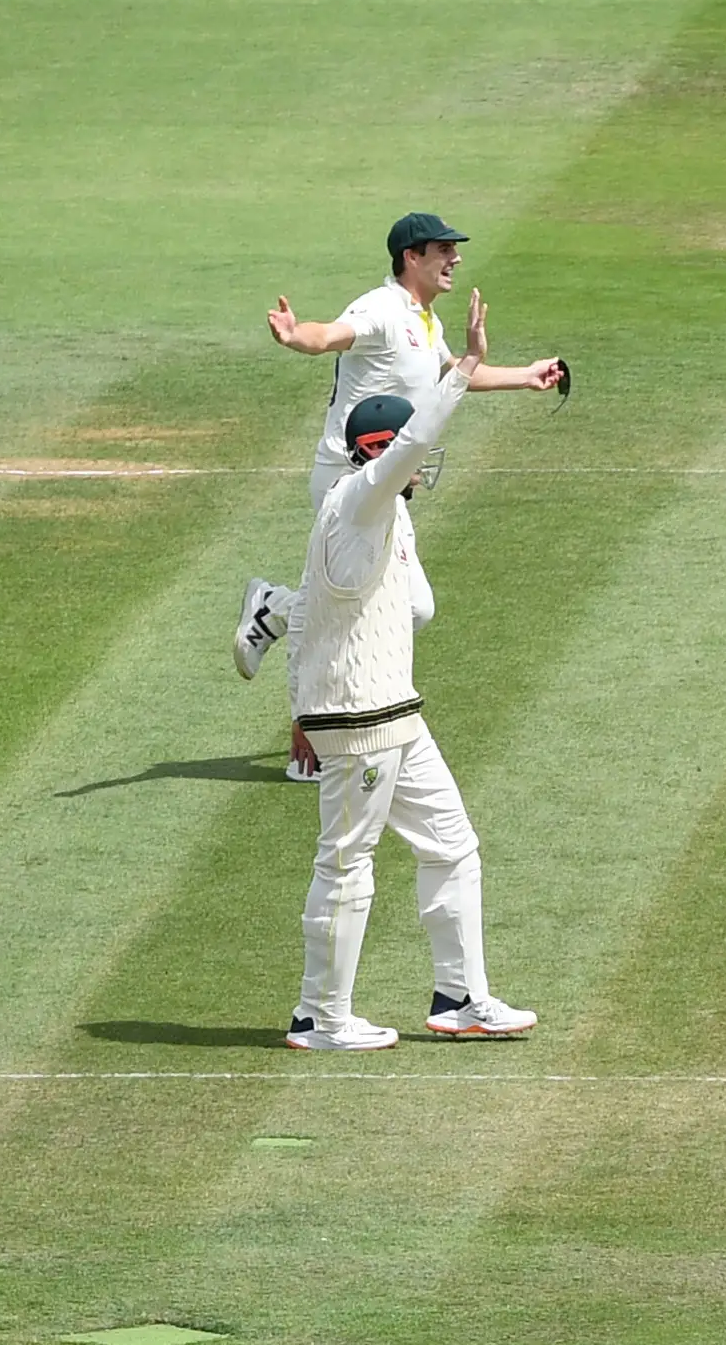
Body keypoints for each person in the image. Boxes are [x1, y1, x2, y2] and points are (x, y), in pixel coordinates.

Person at [239, 213, 564, 774]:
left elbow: (451, 377)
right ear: (410, 257)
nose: (455, 259)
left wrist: (525, 375)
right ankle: (313, 725)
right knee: (381, 604)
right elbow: (331, 335)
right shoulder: (384, 309)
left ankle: (276, 610)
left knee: (411, 607)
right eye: (443, 249)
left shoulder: (424, 320)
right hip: (350, 482)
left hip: (387, 484)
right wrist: (298, 336)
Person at [285, 368, 546, 1050]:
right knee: (346, 862)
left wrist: (294, 709)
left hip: (395, 708)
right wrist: (459, 374)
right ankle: (321, 1017)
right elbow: (414, 439)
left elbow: (316, 608)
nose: (422, 467)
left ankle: (461, 996)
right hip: (358, 717)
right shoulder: (358, 502)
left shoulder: (388, 509)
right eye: (406, 454)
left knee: (453, 843)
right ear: (378, 452)